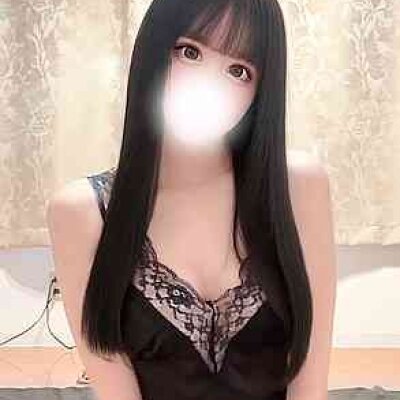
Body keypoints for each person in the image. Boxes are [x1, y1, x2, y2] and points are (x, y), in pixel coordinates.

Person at [47, 0, 337, 399]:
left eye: (239, 71)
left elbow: (310, 382)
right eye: (190, 52)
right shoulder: (82, 213)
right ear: (153, 49)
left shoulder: (299, 186)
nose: (208, 85)